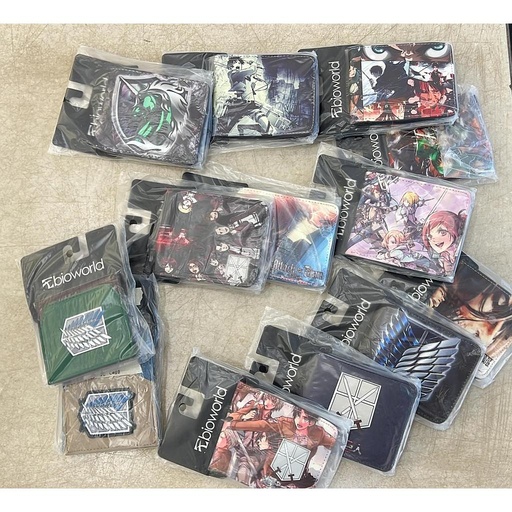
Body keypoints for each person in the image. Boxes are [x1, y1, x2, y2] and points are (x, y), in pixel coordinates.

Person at [421, 210, 466, 276]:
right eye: (430, 236)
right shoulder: (442, 257)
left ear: (455, 232)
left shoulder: (459, 248)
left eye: (443, 233)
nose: (434, 240)